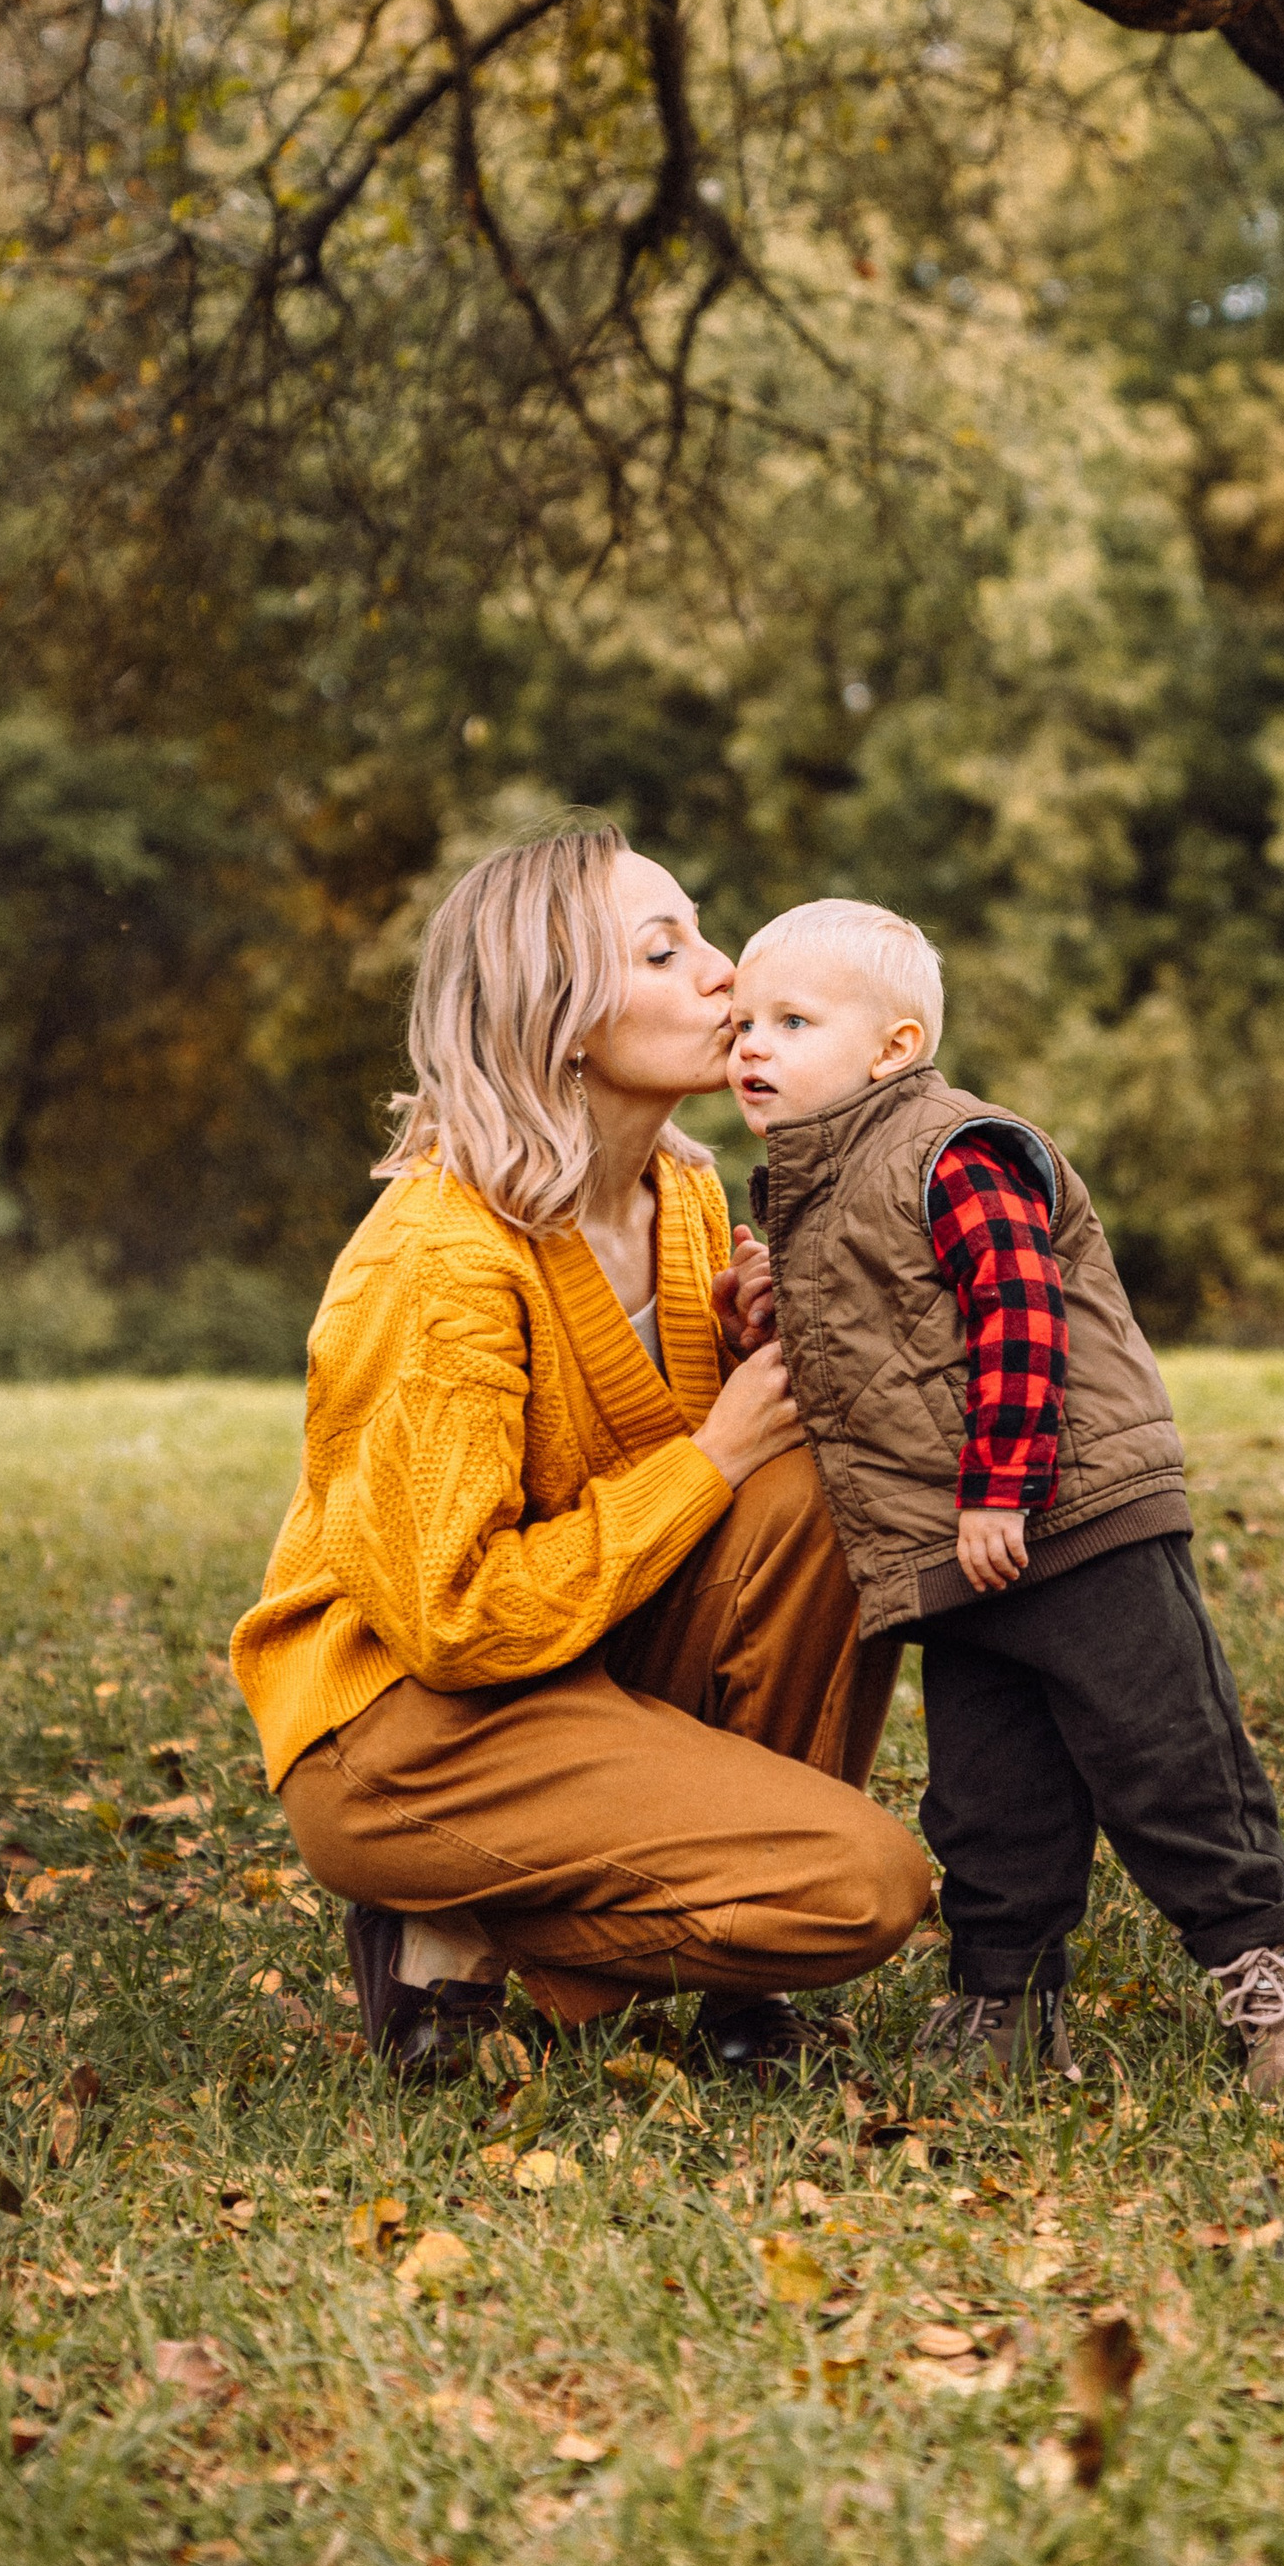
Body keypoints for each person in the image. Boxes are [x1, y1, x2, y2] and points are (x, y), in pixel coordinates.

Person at [230, 826, 931, 2078]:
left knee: (820, 1488)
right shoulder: (438, 1259)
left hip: (588, 1667)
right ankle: (439, 1919)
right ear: (556, 1021)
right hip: (416, 1729)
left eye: (701, 935)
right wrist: (710, 1455)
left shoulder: (689, 1201)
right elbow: (451, 1619)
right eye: (665, 952)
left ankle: (619, 1962)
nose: (724, 973)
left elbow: (741, 1526)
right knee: (862, 1887)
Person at [725, 897, 1284, 2097]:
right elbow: (880, 1337)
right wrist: (768, 1309)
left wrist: (1002, 1490)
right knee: (986, 1792)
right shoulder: (807, 1188)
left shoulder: (947, 1150)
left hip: (1067, 1518)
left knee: (1168, 1756)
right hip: (957, 1547)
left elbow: (1017, 1313)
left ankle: (1274, 1991)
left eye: (792, 1021)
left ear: (892, 1049)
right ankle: (1004, 2003)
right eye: (743, 1020)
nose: (752, 1043)